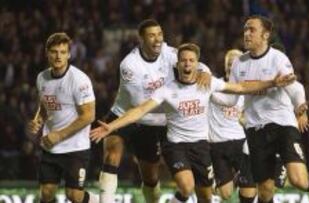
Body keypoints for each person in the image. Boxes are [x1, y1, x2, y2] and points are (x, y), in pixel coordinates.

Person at [90, 43, 295, 202]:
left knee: (207, 197)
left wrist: (272, 83)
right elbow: (140, 110)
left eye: (191, 60)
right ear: (177, 64)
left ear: (197, 64)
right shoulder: (167, 89)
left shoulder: (207, 83)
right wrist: (113, 125)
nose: (187, 64)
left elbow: (240, 88)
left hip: (201, 147)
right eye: (184, 60)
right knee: (187, 187)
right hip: (176, 146)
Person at [230, 15, 309, 203]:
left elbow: (295, 88)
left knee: (298, 179)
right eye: (245, 29)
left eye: (252, 30)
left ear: (265, 35)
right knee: (265, 190)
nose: (246, 34)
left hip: (282, 125)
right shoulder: (239, 63)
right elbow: (231, 97)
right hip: (255, 130)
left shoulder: (278, 58)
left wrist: (300, 108)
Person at [98, 19, 212, 203]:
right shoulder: (130, 65)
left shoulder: (169, 53)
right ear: (141, 39)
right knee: (111, 155)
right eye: (152, 35)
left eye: (160, 34)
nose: (157, 39)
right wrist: (176, 106)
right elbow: (140, 105)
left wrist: (205, 71)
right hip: (125, 114)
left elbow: (192, 62)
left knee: (150, 178)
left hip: (153, 122)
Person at [26, 32, 98, 203]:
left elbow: (89, 116)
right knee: (46, 194)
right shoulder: (42, 78)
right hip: (50, 146)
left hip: (75, 148)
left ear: (69, 54)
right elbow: (45, 105)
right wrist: (38, 120)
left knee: (73, 195)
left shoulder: (79, 80)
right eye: (54, 51)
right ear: (47, 53)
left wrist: (59, 135)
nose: (58, 56)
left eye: (63, 52)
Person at [208, 49, 257, 202]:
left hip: (240, 144)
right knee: (226, 194)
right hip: (217, 144)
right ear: (225, 66)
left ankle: (241, 178)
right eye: (229, 63)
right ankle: (233, 178)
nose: (232, 66)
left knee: (249, 192)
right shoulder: (213, 85)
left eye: (236, 63)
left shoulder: (248, 91)